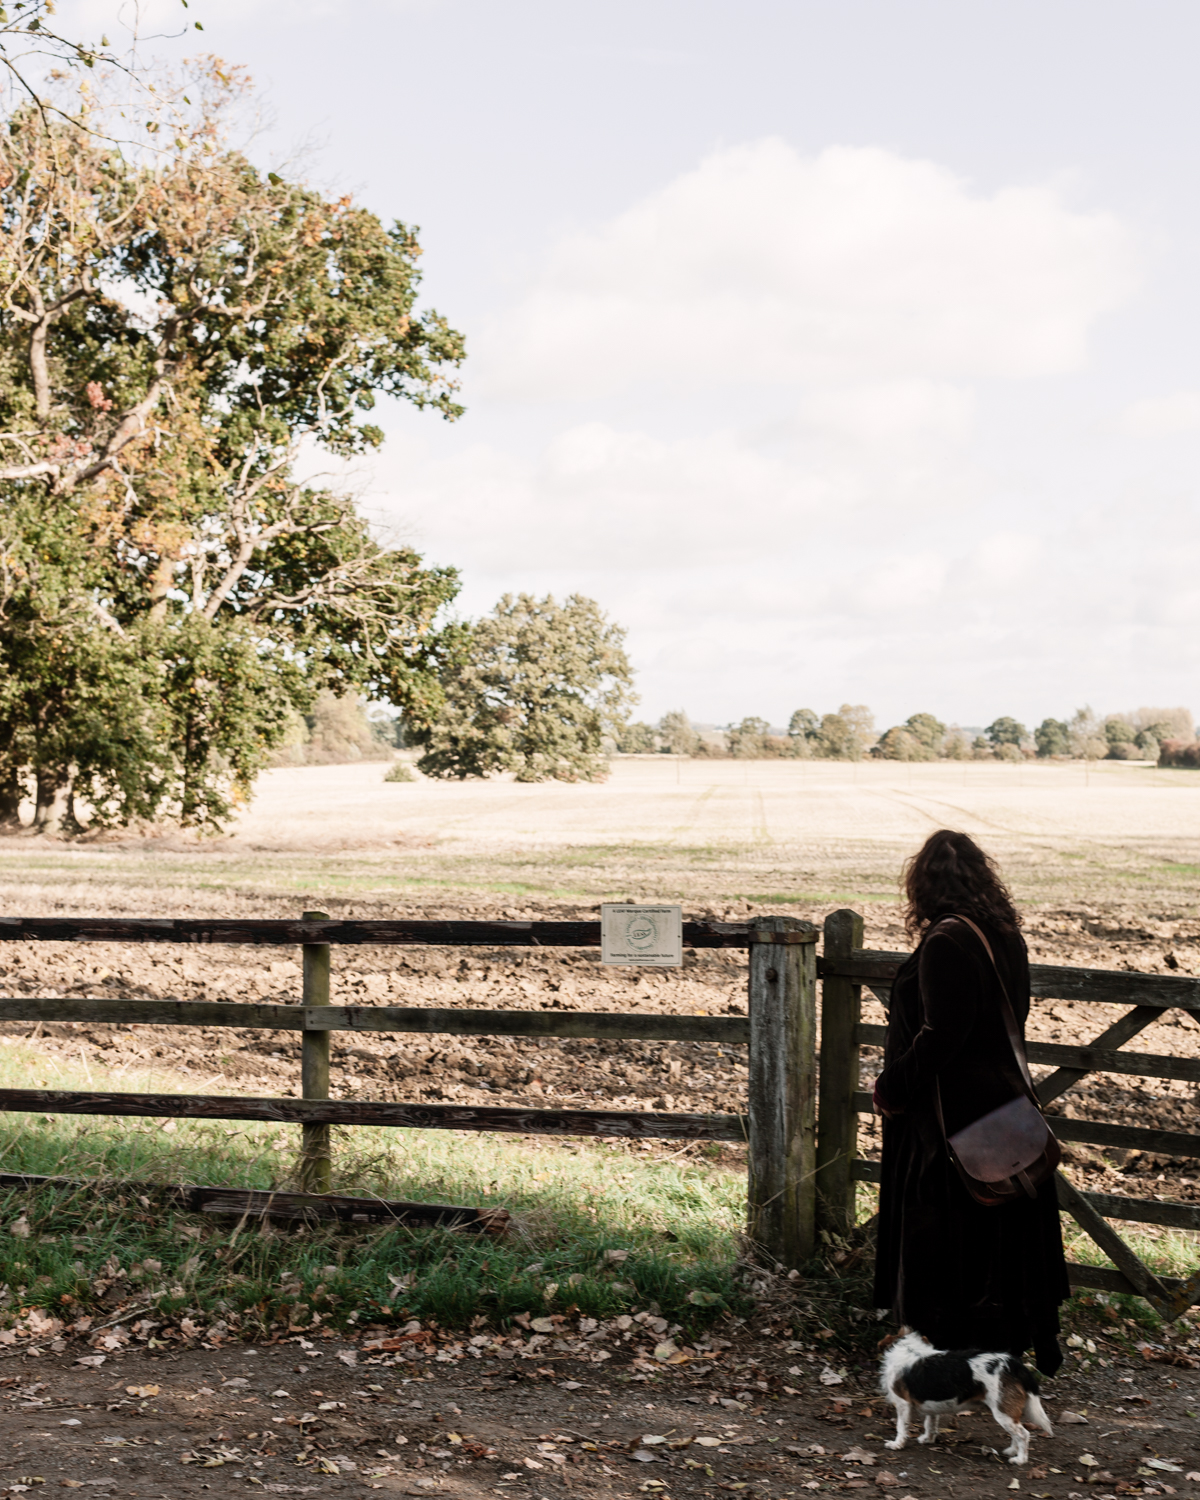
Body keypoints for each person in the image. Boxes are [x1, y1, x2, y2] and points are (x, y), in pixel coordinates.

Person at [871, 829, 1068, 1375]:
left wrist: (892, 1086)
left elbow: (941, 1035)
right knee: (1007, 1231)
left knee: (955, 1233)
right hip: (1004, 1112)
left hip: (950, 1119)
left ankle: (956, 1355)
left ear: (924, 886)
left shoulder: (945, 942)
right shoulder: (1004, 935)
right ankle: (1019, 1340)